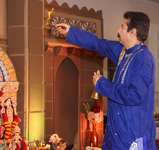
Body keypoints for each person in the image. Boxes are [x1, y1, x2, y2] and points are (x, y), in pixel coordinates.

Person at [55, 11, 157, 149]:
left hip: (132, 138)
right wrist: (71, 32)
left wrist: (102, 84)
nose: (118, 30)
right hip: (116, 135)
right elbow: (98, 44)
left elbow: (135, 95)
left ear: (132, 32)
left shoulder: (143, 58)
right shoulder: (123, 52)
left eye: (122, 27)